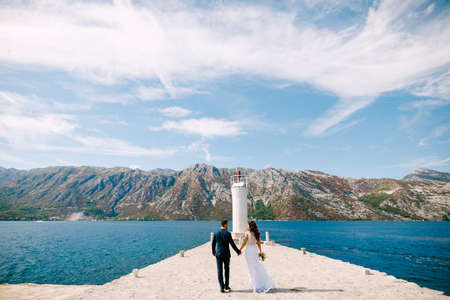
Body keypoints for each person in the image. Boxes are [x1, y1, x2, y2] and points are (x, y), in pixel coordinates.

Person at [239, 220, 275, 293]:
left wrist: (240, 249)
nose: (248, 227)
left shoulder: (247, 234)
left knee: (251, 267)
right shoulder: (257, 234)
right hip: (254, 250)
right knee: (256, 265)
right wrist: (260, 251)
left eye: (248, 225)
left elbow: (244, 243)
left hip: (249, 251)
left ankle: (254, 284)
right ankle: (259, 282)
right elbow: (258, 244)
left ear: (250, 226)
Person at [211, 219, 241, 293]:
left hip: (218, 253)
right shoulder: (228, 233)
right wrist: (238, 251)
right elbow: (232, 244)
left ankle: (221, 287)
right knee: (227, 270)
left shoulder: (216, 233)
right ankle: (226, 286)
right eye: (227, 224)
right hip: (226, 254)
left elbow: (213, 244)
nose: (228, 226)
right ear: (225, 224)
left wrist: (213, 252)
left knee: (219, 270)